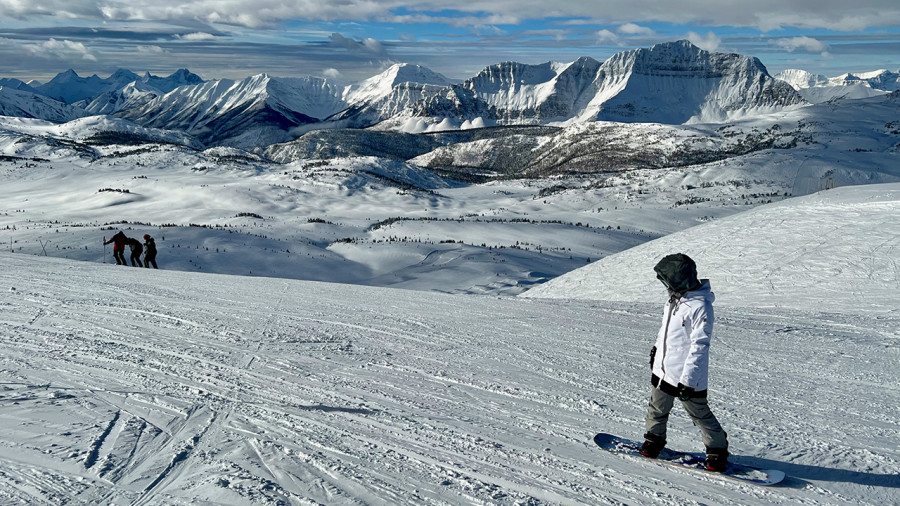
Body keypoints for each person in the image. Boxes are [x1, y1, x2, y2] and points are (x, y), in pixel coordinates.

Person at [640, 253, 729, 472]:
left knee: (699, 414)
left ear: (679, 278)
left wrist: (688, 380)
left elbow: (700, 346)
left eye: (667, 280)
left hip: (686, 376)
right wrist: (656, 351)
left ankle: (717, 450)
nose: (665, 284)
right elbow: (666, 331)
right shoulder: (674, 299)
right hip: (664, 369)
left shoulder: (700, 307)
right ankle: (654, 440)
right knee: (657, 408)